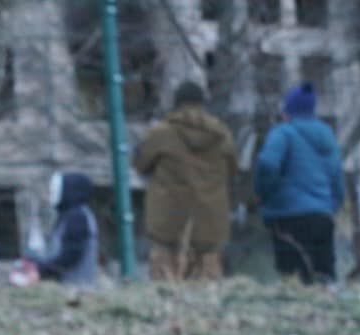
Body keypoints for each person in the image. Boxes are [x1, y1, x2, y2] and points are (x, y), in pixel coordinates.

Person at [133, 81, 238, 281]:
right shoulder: (222, 135)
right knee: (206, 299)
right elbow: (232, 170)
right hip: (210, 227)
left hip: (168, 225)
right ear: (203, 104)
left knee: (167, 296)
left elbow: (139, 163)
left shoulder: (161, 133)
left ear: (176, 104)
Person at [255, 81, 344, 284]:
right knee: (324, 278)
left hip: (288, 217)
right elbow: (336, 176)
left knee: (294, 281)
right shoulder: (327, 135)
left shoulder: (282, 133)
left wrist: (264, 195)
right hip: (322, 216)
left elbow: (267, 164)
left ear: (288, 111)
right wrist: (333, 205)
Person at [26, 171, 99, 287]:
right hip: (70, 286)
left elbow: (70, 255)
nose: (50, 195)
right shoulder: (70, 215)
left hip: (76, 287)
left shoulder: (77, 217)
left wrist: (41, 271)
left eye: (53, 190)